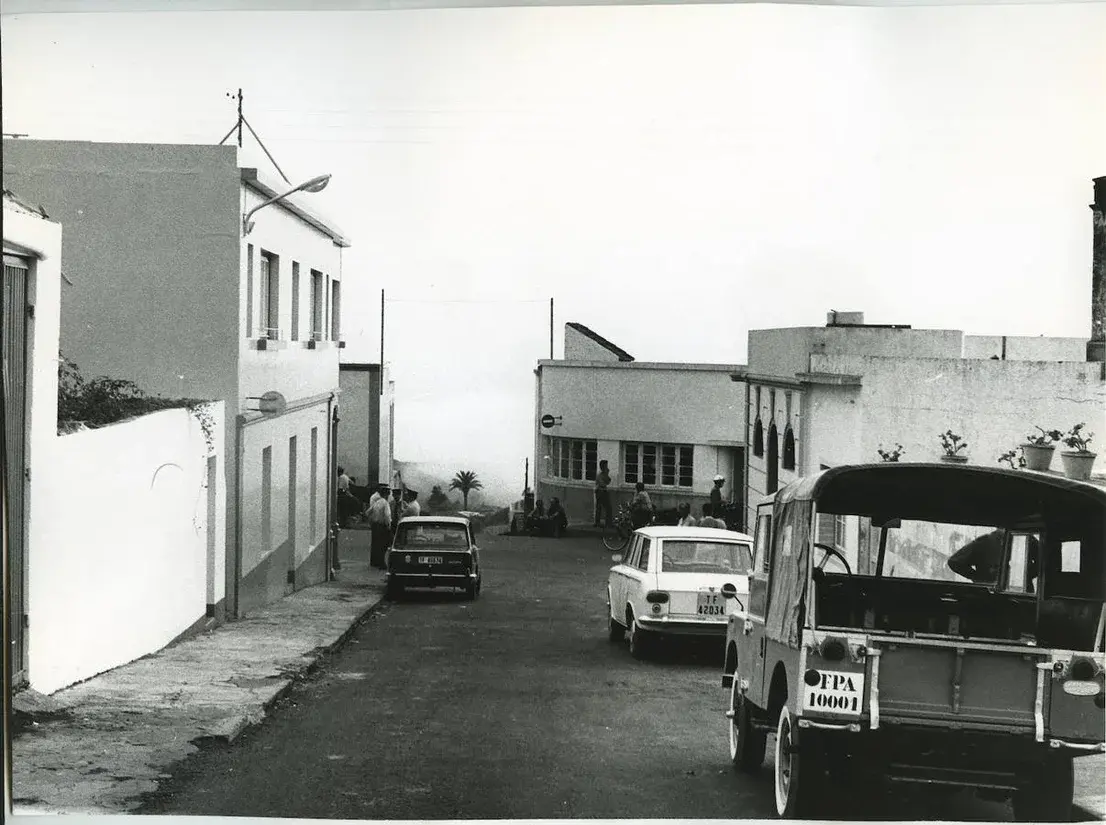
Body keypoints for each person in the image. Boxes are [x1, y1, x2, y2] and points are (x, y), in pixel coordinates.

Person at [367, 484, 393, 568]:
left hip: (375, 525)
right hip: (382, 526)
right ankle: (381, 563)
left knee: (376, 544)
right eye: (388, 493)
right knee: (383, 545)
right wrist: (389, 526)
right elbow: (387, 516)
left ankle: (374, 562)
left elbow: (368, 512)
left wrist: (373, 519)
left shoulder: (377, 502)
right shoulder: (385, 503)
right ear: (386, 494)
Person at [594, 459, 613, 528]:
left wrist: (607, 474)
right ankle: (598, 522)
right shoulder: (600, 475)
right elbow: (603, 484)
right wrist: (606, 475)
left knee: (605, 507)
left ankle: (606, 522)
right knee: (602, 507)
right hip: (600, 491)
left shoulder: (603, 475)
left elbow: (608, 481)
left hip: (603, 491)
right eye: (606, 466)